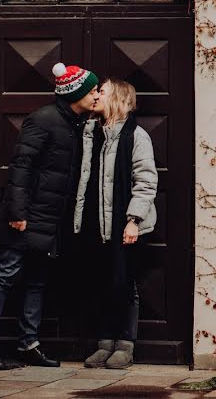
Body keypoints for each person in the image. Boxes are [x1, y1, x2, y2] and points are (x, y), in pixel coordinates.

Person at [0, 62, 100, 370]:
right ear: (78, 93)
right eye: (94, 90)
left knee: (37, 281)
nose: (98, 95)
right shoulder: (42, 120)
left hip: (51, 220)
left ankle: (28, 344)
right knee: (5, 275)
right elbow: (21, 167)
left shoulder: (76, 123)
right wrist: (17, 212)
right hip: (28, 217)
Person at [73, 79, 158, 369]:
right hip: (96, 224)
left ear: (119, 98)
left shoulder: (137, 137)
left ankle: (125, 344)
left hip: (125, 224)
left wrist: (133, 220)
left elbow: (145, 182)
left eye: (102, 91)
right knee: (100, 282)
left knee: (125, 284)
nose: (96, 95)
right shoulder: (91, 135)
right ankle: (104, 343)